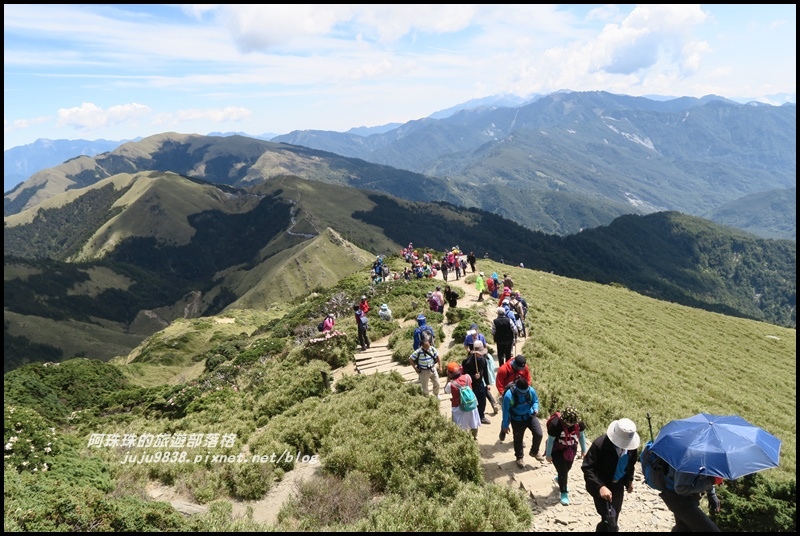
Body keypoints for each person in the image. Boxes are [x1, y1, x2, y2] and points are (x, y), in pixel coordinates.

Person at [582, 418, 640, 532]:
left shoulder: (631, 448)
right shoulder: (600, 445)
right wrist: (600, 487)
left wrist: (629, 480)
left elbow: (631, 464)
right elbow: (587, 468)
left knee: (612, 517)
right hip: (602, 486)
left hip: (618, 487)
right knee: (610, 521)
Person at [546, 406, 588, 506]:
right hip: (557, 450)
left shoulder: (579, 424)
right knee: (563, 471)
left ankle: (560, 479)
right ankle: (564, 492)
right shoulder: (555, 425)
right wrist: (548, 454)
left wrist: (584, 449)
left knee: (568, 467)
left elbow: (581, 436)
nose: (569, 425)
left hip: (571, 448)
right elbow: (550, 441)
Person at [660, 467, 722, 532]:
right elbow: (681, 488)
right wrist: (711, 481)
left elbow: (705, 474)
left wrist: (711, 494)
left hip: (685, 498)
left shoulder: (701, 458)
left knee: (683, 528)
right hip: (678, 499)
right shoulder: (687, 462)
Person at [500, 377, 544, 467]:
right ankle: (519, 458)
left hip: (530, 416)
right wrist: (505, 425)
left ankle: (534, 452)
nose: (524, 394)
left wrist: (536, 408)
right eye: (521, 393)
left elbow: (535, 400)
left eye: (525, 392)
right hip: (517, 419)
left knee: (539, 434)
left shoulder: (530, 391)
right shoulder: (509, 396)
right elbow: (506, 411)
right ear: (516, 388)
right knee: (518, 439)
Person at [444, 362, 480, 439]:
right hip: (471, 404)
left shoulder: (451, 384)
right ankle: (475, 436)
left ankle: (462, 439)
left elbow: (446, 391)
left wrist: (448, 379)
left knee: (459, 425)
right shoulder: (467, 377)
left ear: (450, 373)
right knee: (473, 421)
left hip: (458, 407)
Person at [461, 340, 491, 424]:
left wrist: (487, 383)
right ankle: (474, 418)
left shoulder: (483, 360)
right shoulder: (467, 362)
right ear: (474, 353)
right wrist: (473, 377)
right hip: (471, 386)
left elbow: (485, 372)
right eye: (479, 353)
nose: (481, 354)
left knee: (482, 401)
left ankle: (482, 416)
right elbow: (465, 376)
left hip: (481, 384)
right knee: (473, 402)